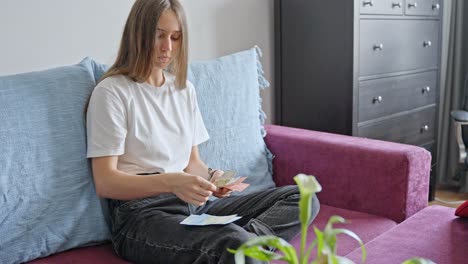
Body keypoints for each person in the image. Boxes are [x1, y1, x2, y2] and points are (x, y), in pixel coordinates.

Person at [86, 0, 320, 263]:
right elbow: (106, 182)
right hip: (142, 216)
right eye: (159, 35)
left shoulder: (183, 90)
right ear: (138, 33)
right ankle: (242, 248)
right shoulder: (112, 93)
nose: (168, 48)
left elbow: (192, 163)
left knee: (303, 196)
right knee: (232, 241)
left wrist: (212, 178)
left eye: (176, 37)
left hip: (196, 206)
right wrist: (173, 181)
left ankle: (247, 247)